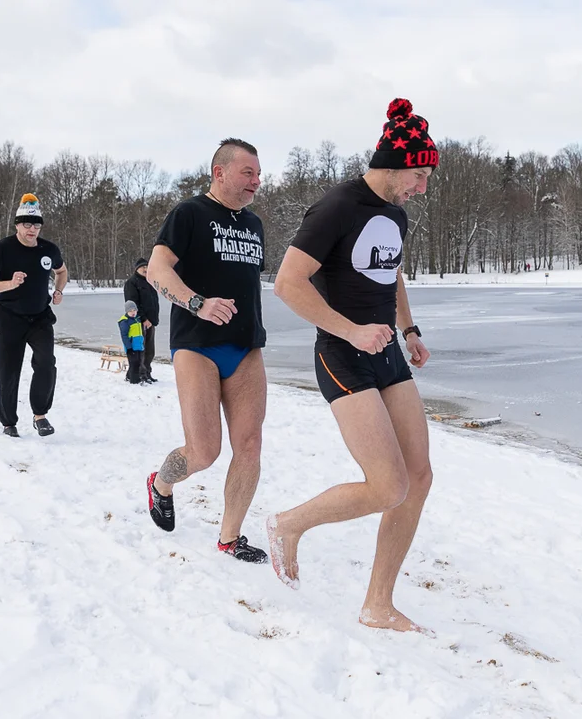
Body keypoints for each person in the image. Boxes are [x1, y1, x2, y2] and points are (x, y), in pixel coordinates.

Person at [265, 98, 436, 633]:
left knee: (420, 476)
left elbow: (393, 274)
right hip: (342, 355)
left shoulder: (395, 214)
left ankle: (377, 603)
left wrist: (408, 329)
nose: (422, 188)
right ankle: (288, 525)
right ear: (392, 164)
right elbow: (288, 284)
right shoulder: (336, 207)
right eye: (419, 175)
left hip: (386, 353)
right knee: (388, 485)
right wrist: (351, 330)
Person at [144, 137, 268, 563]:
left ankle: (230, 537)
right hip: (197, 346)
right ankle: (161, 483)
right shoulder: (190, 213)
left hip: (246, 347)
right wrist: (197, 302)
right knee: (204, 452)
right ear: (220, 172)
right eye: (247, 172)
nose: (257, 180)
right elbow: (157, 269)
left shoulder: (254, 225)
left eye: (257, 172)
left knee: (249, 445)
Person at [0, 193, 69, 438]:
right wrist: (9, 283)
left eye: (36, 224)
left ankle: (40, 415)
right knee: (9, 370)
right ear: (17, 225)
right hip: (9, 318)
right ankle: (9, 423)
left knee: (46, 363)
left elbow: (62, 271)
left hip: (40, 316)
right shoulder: (2, 248)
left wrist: (58, 290)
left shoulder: (49, 249)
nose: (32, 229)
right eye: (27, 224)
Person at [123, 257, 159, 383]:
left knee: (150, 351)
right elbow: (132, 303)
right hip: (138, 322)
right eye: (143, 267)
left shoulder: (150, 282)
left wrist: (153, 319)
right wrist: (143, 318)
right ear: (137, 269)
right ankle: (139, 374)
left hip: (150, 322)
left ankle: (147, 372)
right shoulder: (131, 283)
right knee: (140, 350)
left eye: (147, 267)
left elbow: (153, 302)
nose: (145, 269)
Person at [118, 300, 145, 384]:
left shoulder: (137, 319)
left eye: (134, 310)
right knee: (134, 363)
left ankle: (129, 376)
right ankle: (134, 380)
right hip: (131, 346)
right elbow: (124, 336)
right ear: (127, 311)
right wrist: (129, 347)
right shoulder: (125, 321)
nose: (133, 312)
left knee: (138, 362)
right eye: (130, 311)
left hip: (138, 345)